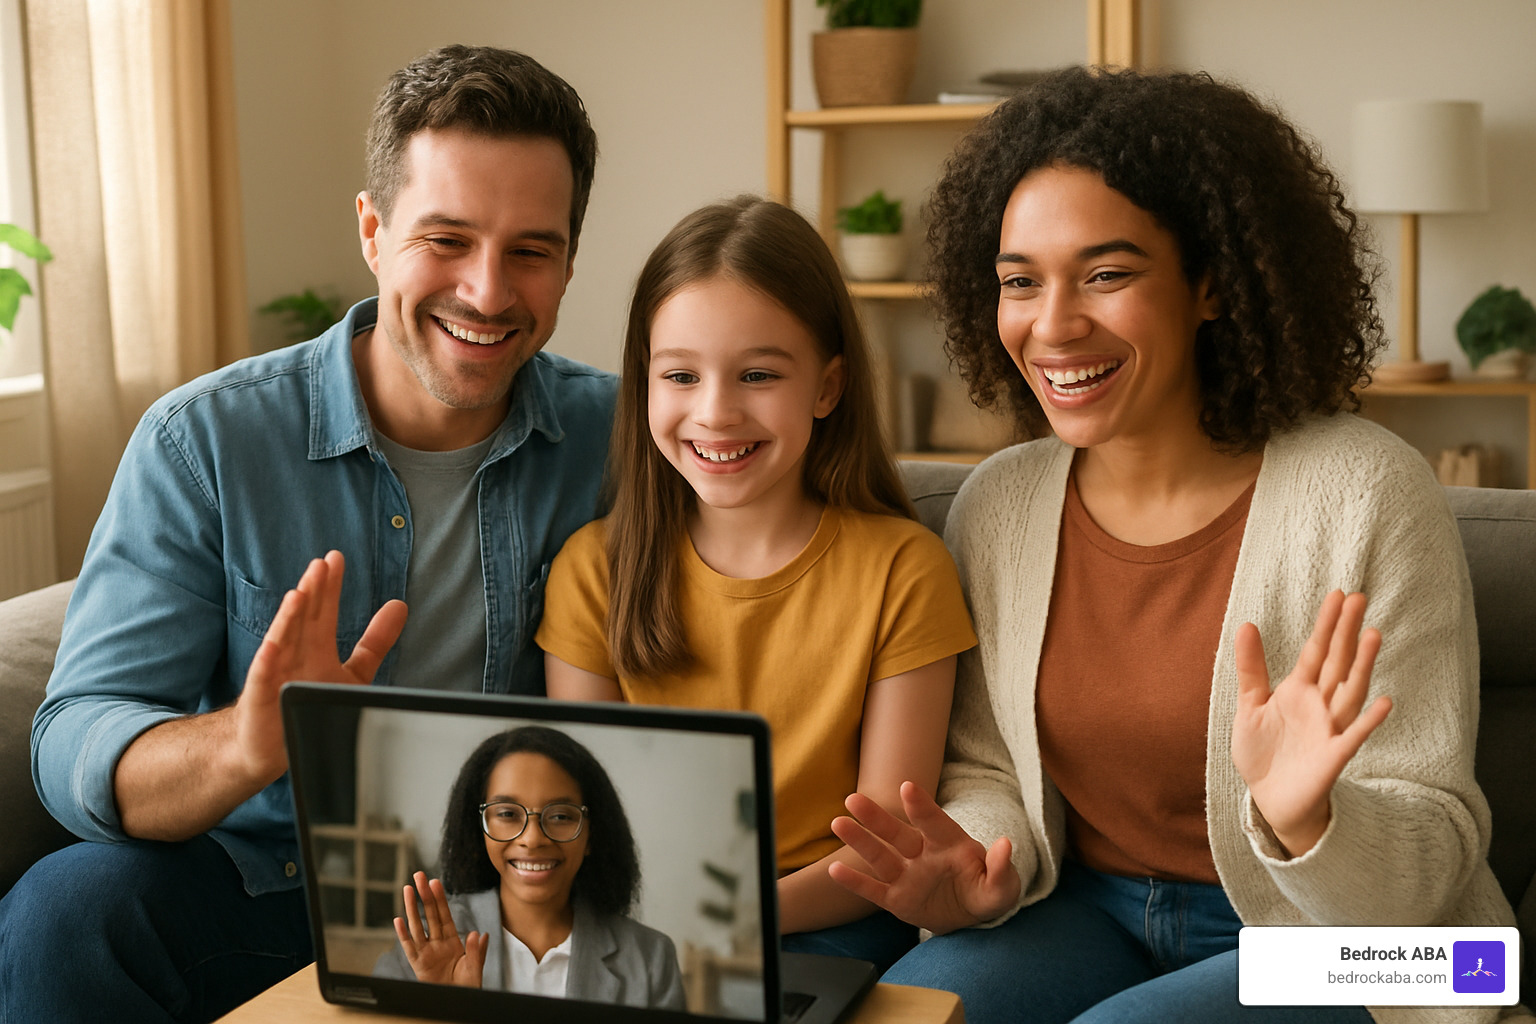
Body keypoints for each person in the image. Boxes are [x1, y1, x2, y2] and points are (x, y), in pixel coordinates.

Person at [826, 67, 1525, 1024]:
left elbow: (1433, 856)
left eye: (1107, 274)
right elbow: (988, 770)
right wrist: (979, 864)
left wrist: (1309, 817)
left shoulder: (1366, 491)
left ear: (1211, 283)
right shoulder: (1000, 506)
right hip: (1096, 912)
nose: (1055, 323)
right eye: (1020, 281)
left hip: (1390, 954)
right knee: (912, 1015)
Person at [0, 46, 616, 1023]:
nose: (490, 291)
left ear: (571, 260)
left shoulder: (625, 440)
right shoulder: (204, 440)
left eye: (530, 250)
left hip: (513, 898)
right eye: (446, 239)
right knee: (66, 912)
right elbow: (74, 731)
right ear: (373, 233)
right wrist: (243, 748)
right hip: (265, 885)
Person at [535, 195, 977, 972]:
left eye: (759, 374)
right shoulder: (592, 571)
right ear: (644, 385)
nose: (716, 412)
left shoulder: (905, 570)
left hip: (829, 924)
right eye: (680, 374)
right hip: (640, 923)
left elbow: (884, 851)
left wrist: (718, 923)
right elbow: (587, 817)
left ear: (828, 387)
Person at [373, 726, 686, 1008]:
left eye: (561, 816)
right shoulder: (427, 942)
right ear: (479, 829)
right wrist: (448, 1009)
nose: (533, 839)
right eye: (508, 814)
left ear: (593, 834)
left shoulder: (651, 958)